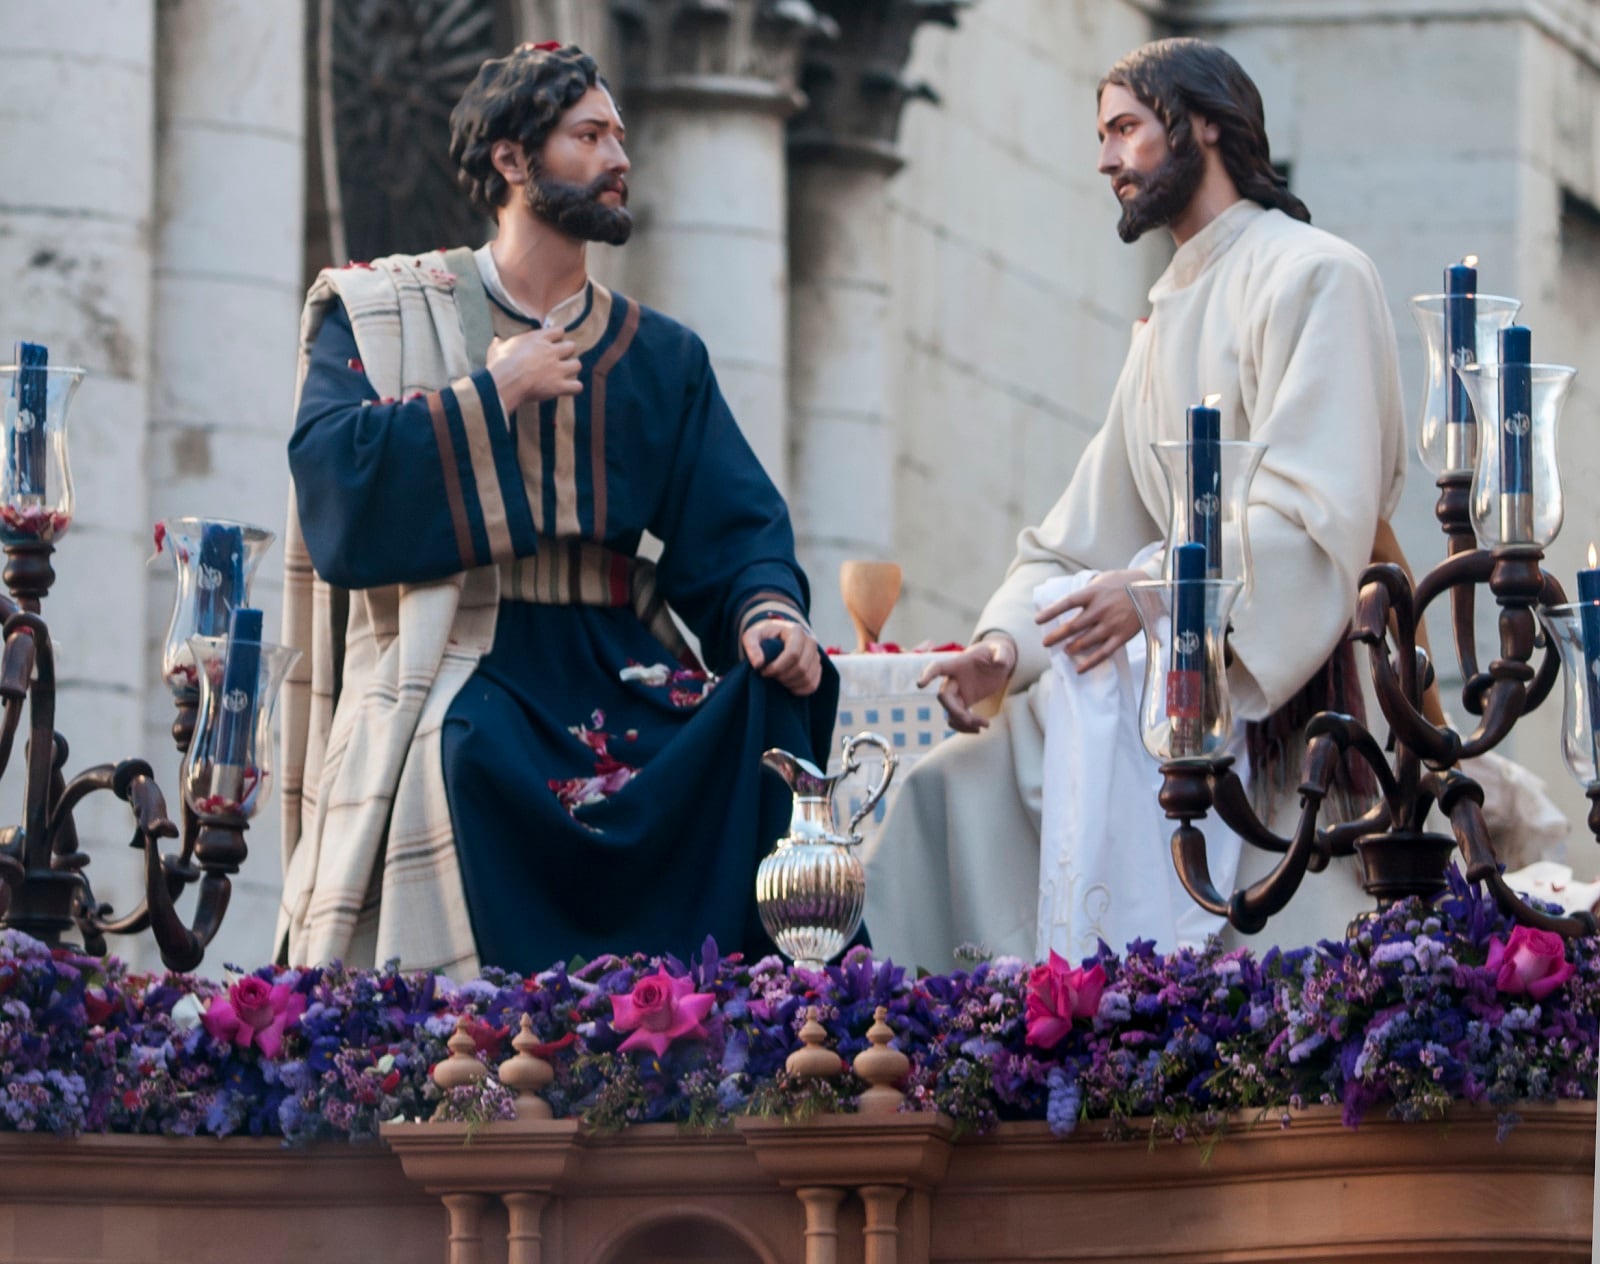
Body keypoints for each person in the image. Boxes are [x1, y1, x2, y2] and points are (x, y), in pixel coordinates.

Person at [277, 43, 835, 976]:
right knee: (470, 760)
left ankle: (747, 1029)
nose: (619, 157)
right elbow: (331, 475)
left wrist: (767, 610)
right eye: (589, 136)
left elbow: (734, 526)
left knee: (760, 716)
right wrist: (489, 397)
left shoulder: (661, 355)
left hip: (621, 655)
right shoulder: (385, 310)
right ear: (511, 159)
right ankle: (493, 1058)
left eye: (620, 136)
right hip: (466, 653)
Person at [862, 38, 1409, 970]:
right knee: (941, 794)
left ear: (1203, 124)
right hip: (1159, 680)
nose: (1107, 159)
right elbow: (1082, 536)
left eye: (1126, 129)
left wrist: (1154, 594)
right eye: (1101, 135)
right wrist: (1003, 650)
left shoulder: (1315, 274)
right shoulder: (1166, 316)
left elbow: (1314, 520)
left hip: (1278, 699)